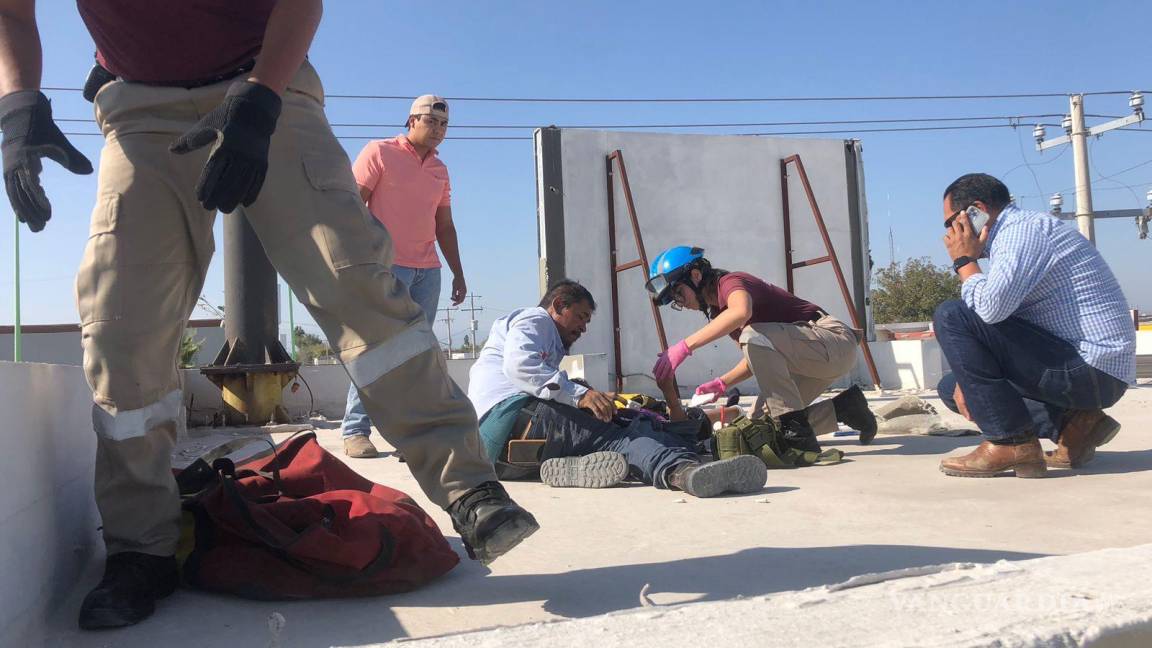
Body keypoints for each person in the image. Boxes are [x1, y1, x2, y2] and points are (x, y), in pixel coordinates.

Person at [0, 0, 536, 629]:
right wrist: (19, 105)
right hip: (138, 110)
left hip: (267, 84)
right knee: (121, 323)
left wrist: (259, 98)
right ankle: (140, 547)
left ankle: (468, 486)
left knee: (353, 281)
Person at [467, 280, 768, 496]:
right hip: (513, 420)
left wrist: (581, 390)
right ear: (559, 305)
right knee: (624, 436)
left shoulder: (543, 338)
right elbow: (520, 367)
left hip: (502, 454)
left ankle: (575, 466)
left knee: (622, 425)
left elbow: (538, 378)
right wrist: (580, 394)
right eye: (581, 316)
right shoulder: (536, 320)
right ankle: (683, 472)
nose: (583, 328)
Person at [933, 173, 1134, 478]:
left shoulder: (1021, 232)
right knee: (953, 389)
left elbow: (988, 310)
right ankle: (1075, 426)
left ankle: (1010, 443)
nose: (949, 233)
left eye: (951, 223)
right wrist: (967, 378)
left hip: (1092, 368)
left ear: (976, 211)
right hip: (1079, 366)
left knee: (952, 314)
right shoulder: (1015, 237)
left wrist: (964, 261)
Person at [645, 246, 877, 452]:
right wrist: (722, 383)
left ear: (695, 276)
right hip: (810, 359)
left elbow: (741, 314)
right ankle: (846, 408)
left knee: (752, 336)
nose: (681, 303)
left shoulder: (730, 283)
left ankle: (799, 438)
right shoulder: (719, 313)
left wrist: (684, 347)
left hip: (833, 342)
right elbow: (754, 356)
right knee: (760, 427)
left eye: (678, 293)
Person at [341, 94, 471, 459]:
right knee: (374, 346)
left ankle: (409, 434)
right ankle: (355, 431)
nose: (439, 130)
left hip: (428, 272)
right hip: (384, 266)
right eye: (432, 122)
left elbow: (444, 225)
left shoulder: (440, 170)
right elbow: (351, 207)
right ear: (412, 121)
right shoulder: (379, 152)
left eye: (444, 125)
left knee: (417, 355)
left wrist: (459, 273)